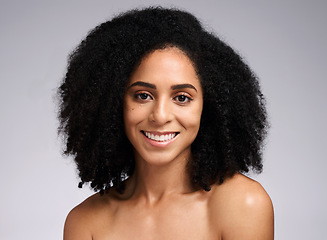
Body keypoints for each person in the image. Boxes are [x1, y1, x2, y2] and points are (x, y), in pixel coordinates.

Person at [58, 7, 274, 240]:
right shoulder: (86, 223)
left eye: (182, 98)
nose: (160, 116)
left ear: (208, 106)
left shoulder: (242, 206)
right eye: (143, 95)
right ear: (111, 103)